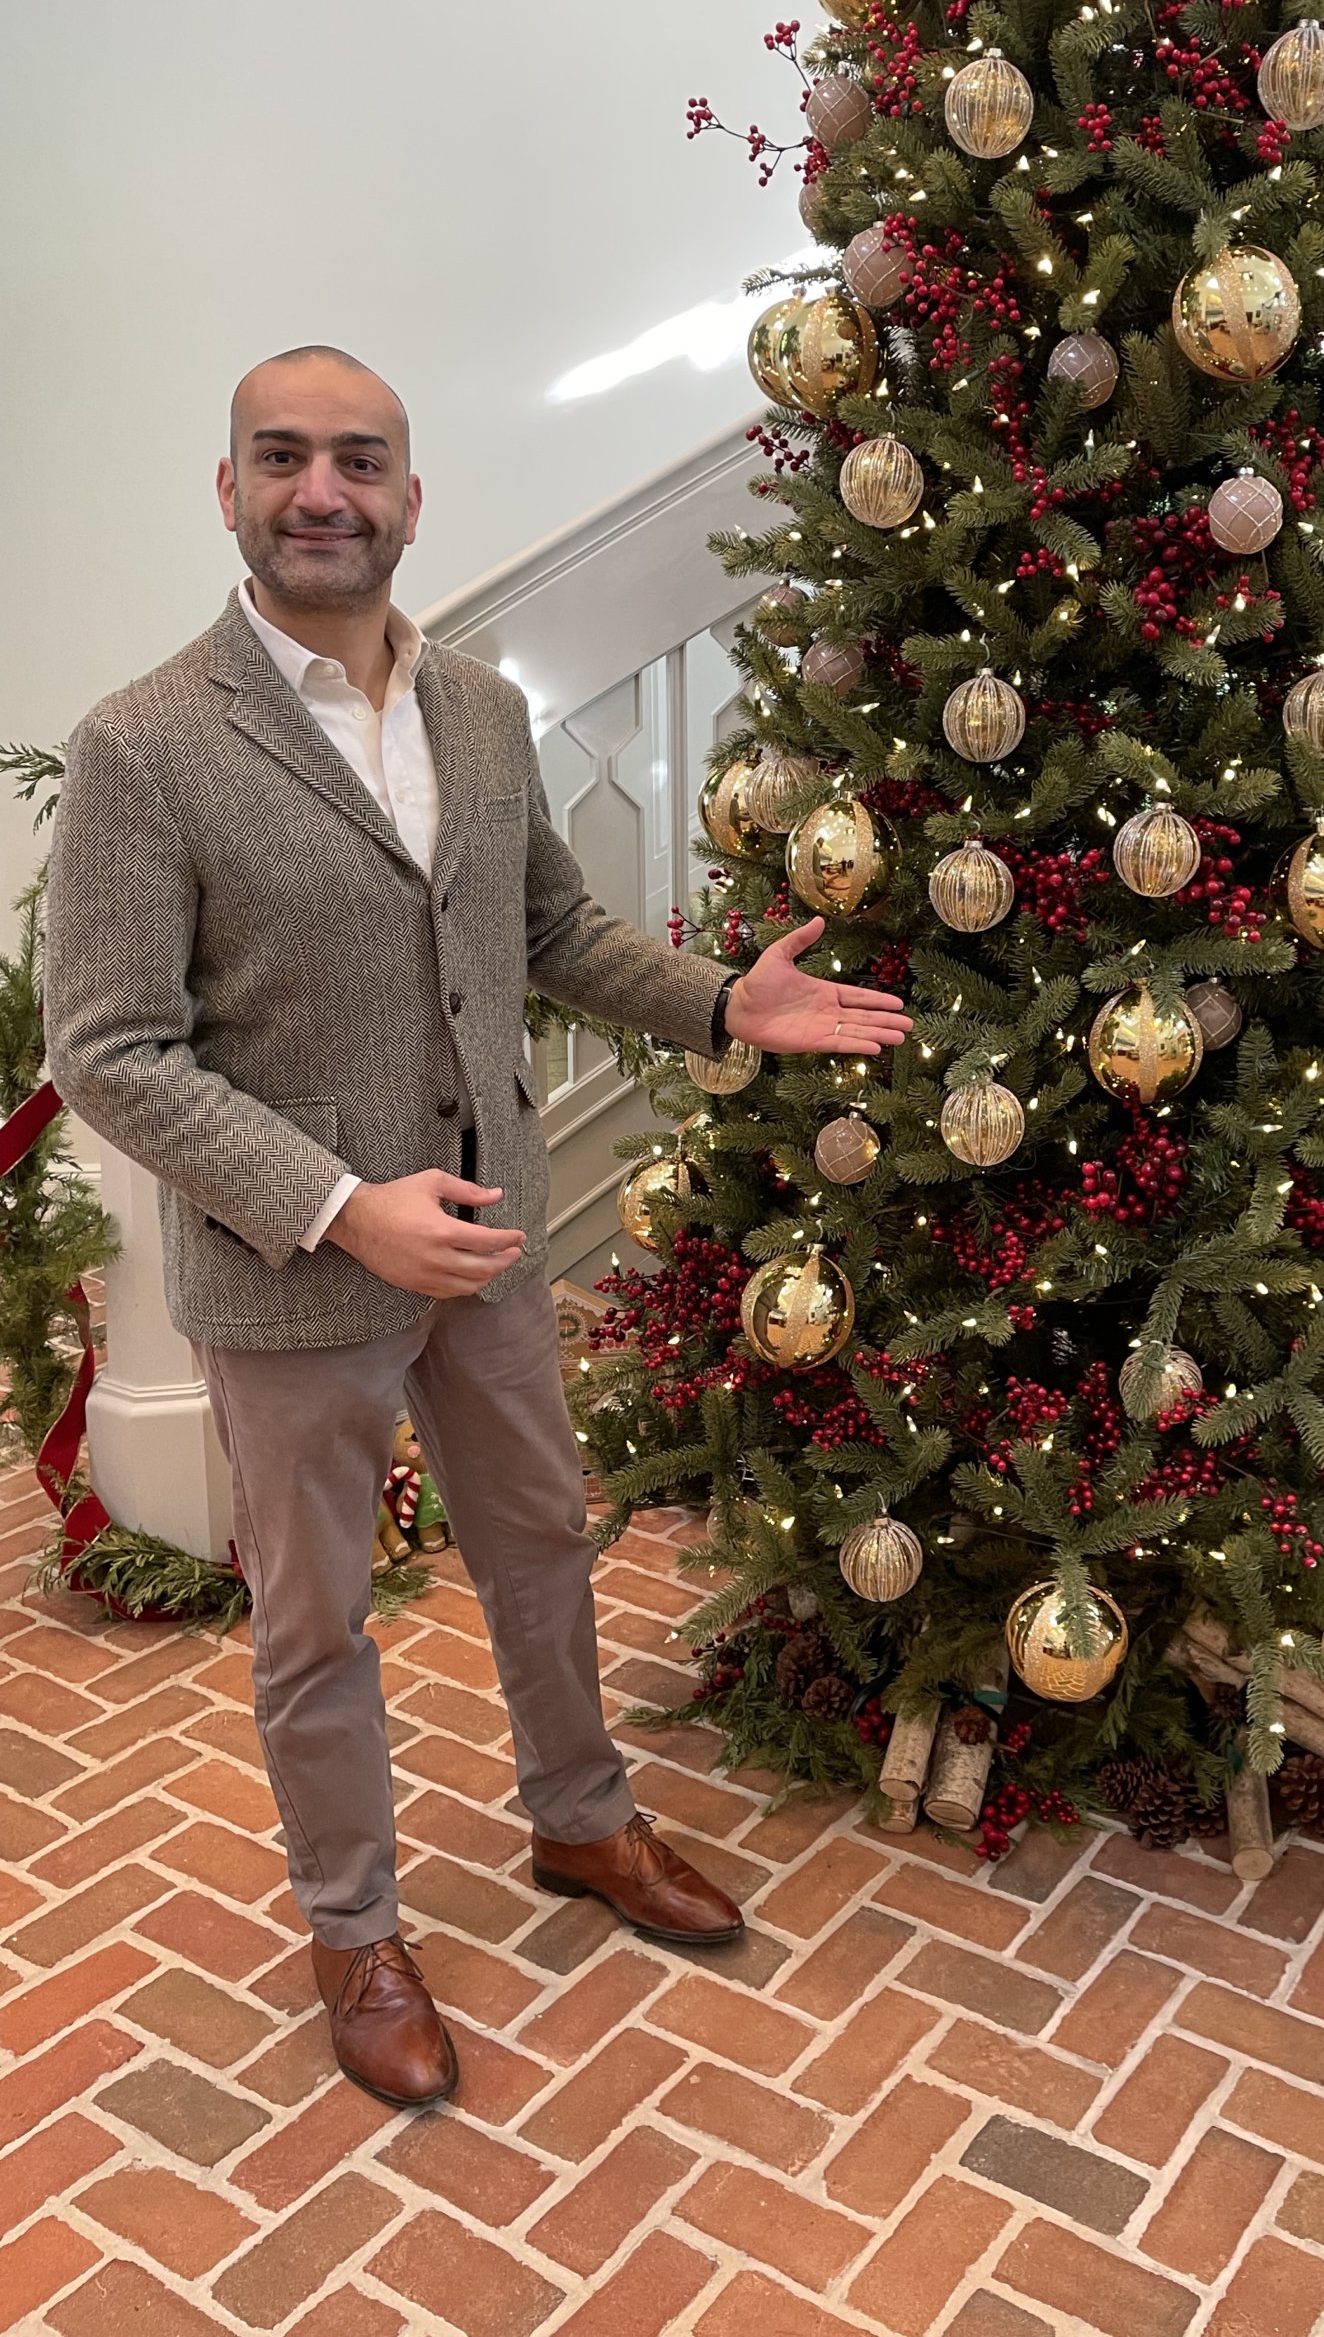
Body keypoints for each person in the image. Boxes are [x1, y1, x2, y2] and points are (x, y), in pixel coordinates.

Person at [43, 346, 911, 2107]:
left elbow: (554, 934)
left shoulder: (484, 712)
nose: (322, 491)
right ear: (229, 490)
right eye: (281, 458)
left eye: (359, 460)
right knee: (316, 1624)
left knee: (542, 1546)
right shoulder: (143, 744)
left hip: (490, 1243)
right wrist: (342, 1207)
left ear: (411, 499)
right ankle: (353, 1928)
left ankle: (581, 1822)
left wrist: (717, 1012)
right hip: (296, 1277)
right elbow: (109, 1053)